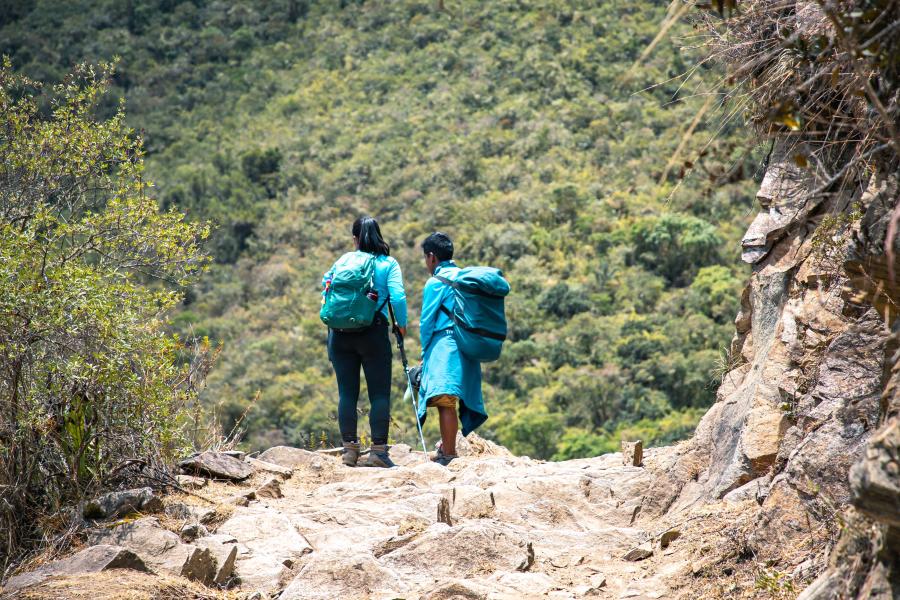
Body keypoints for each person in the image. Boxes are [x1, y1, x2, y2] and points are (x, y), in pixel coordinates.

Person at [322, 216, 407, 468]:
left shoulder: (343, 261)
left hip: (339, 334)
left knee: (347, 393)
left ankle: (349, 452)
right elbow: (398, 297)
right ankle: (378, 453)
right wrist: (401, 325)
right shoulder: (388, 263)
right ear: (379, 235)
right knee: (379, 393)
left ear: (355, 239)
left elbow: (326, 289)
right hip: (373, 333)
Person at [418, 232, 488, 466]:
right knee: (454, 399)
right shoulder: (467, 278)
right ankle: (447, 446)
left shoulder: (435, 283)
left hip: (445, 345)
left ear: (431, 257)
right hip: (467, 346)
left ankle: (448, 453)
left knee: (445, 401)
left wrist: (425, 351)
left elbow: (427, 322)